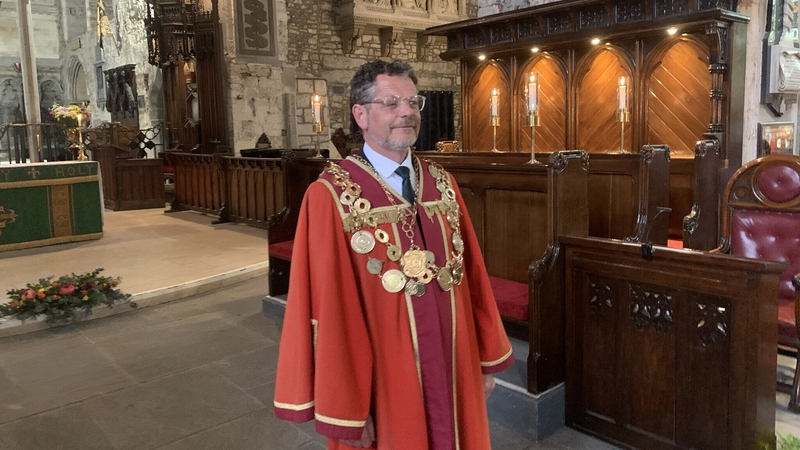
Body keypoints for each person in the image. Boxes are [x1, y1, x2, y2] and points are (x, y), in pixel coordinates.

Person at [273, 59, 514, 450]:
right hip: (385, 380)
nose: (407, 112)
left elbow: (471, 277)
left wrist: (484, 360)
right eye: (391, 103)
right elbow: (330, 309)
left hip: (454, 365)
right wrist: (348, 404)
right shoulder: (332, 196)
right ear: (361, 115)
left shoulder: (442, 184)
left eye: (413, 102)